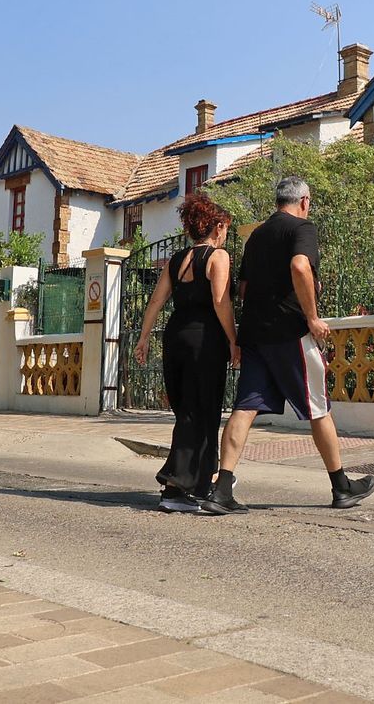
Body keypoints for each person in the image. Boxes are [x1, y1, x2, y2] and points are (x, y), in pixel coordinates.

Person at [203, 176, 374, 515]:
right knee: (317, 407)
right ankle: (341, 486)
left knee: (245, 407)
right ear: (304, 201)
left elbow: (243, 289)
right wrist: (311, 316)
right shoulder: (302, 228)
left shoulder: (255, 237)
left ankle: (221, 488)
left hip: (255, 334)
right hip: (290, 333)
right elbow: (299, 266)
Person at [134, 192, 239, 514]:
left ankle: (198, 481)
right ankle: (175, 485)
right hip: (204, 341)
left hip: (175, 337)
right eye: (225, 229)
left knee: (188, 411)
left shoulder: (176, 260)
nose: (225, 235)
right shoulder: (218, 257)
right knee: (201, 411)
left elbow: (155, 301)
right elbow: (221, 302)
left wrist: (143, 337)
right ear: (217, 226)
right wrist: (234, 341)